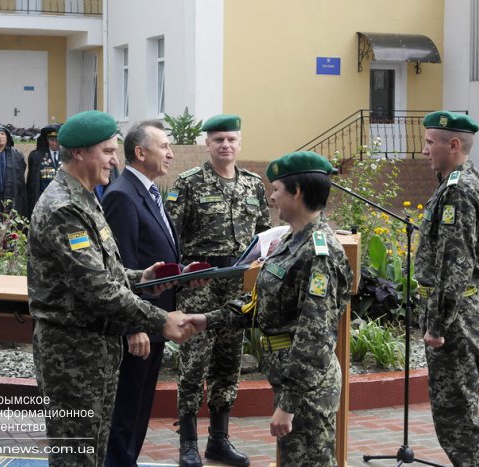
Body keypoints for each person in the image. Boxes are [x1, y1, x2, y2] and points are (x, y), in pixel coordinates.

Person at [27, 110, 202, 467]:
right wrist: (160, 320)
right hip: (73, 355)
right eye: (107, 151)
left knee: (96, 451)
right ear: (79, 153)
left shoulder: (85, 196)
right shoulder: (63, 208)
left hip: (96, 352)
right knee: (76, 457)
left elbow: (107, 270)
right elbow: (97, 289)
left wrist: (144, 277)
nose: (114, 160)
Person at [188, 150, 353, 466]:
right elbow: (260, 305)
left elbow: (314, 337)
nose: (272, 197)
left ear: (298, 192)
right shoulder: (293, 240)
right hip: (291, 381)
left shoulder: (318, 253)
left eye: (276, 189)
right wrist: (206, 320)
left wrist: (288, 404)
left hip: (307, 389)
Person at [166, 114, 271, 467]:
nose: (225, 145)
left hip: (237, 286)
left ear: (239, 143)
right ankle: (188, 444)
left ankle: (219, 441)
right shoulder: (189, 182)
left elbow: (264, 234)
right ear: (207, 144)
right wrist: (179, 275)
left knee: (228, 366)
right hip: (201, 283)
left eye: (231, 139)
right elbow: (169, 235)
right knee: (194, 366)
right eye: (218, 140)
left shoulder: (254, 184)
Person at [102, 120, 185, 466]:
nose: (170, 153)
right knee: (126, 410)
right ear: (140, 152)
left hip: (156, 320)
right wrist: (133, 326)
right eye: (164, 146)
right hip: (139, 325)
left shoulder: (149, 190)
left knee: (140, 409)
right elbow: (122, 267)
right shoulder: (122, 195)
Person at [416, 111, 479, 466]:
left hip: (455, 320)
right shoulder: (459, 179)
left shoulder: (458, 191)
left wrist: (437, 325)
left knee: (457, 418)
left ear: (453, 144)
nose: (425, 149)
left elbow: (455, 263)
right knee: (456, 414)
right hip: (459, 314)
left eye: (430, 142)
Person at [26, 123, 61, 215]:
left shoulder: (68, 156)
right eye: (51, 140)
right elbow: (31, 184)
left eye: (57, 140)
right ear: (46, 139)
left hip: (63, 203)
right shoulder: (37, 156)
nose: (54, 143)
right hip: (44, 203)